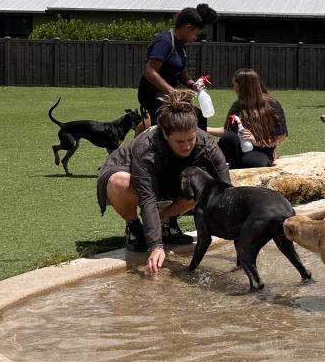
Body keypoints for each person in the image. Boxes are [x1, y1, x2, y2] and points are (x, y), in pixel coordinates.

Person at [96, 90, 231, 276]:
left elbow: (226, 190)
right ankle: (134, 227)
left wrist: (239, 233)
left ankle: (165, 221)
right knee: (121, 182)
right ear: (165, 134)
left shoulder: (207, 143)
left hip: (166, 177)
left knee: (205, 184)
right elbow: (147, 198)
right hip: (126, 178)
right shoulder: (147, 147)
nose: (186, 146)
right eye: (180, 141)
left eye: (191, 139)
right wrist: (156, 246)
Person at [137, 3, 218, 130]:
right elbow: (150, 72)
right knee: (177, 125)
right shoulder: (164, 42)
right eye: (196, 34)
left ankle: (197, 148)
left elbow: (181, 72)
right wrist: (174, 92)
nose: (196, 38)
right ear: (188, 28)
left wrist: (192, 84)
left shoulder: (180, 44)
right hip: (153, 95)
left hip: (168, 94)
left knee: (199, 117)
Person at [206, 68, 288, 168]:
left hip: (260, 150)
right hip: (239, 148)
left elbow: (280, 136)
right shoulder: (237, 105)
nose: (233, 88)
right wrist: (203, 129)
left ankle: (231, 165)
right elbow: (227, 131)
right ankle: (228, 165)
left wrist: (256, 141)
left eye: (234, 84)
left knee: (250, 162)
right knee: (229, 137)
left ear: (244, 87)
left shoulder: (271, 105)